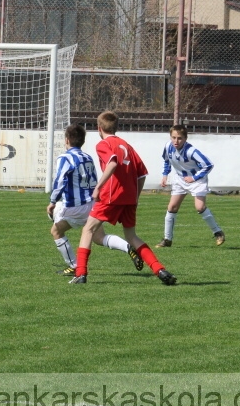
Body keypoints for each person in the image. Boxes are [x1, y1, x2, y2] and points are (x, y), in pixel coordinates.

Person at [70, 111, 177, 285]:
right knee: (132, 236)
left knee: (88, 229)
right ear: (116, 127)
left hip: (111, 196)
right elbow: (142, 174)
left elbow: (112, 162)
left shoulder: (103, 144)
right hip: (129, 197)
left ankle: (81, 274)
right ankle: (160, 270)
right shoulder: (126, 145)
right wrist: (135, 197)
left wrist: (98, 187)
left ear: (99, 128)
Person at [48, 124, 143, 276]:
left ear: (66, 140)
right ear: (82, 141)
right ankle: (128, 247)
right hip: (93, 204)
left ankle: (74, 266)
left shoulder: (64, 158)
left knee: (56, 230)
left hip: (76, 207)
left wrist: (52, 201)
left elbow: (59, 182)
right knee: (99, 237)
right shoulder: (87, 157)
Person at [157, 124, 225, 247]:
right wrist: (165, 175)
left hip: (197, 180)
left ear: (185, 138)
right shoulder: (168, 146)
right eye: (173, 137)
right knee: (172, 207)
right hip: (180, 179)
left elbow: (208, 165)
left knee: (200, 207)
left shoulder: (191, 151)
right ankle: (167, 240)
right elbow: (167, 161)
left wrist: (194, 178)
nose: (176, 141)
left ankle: (218, 232)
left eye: (179, 138)